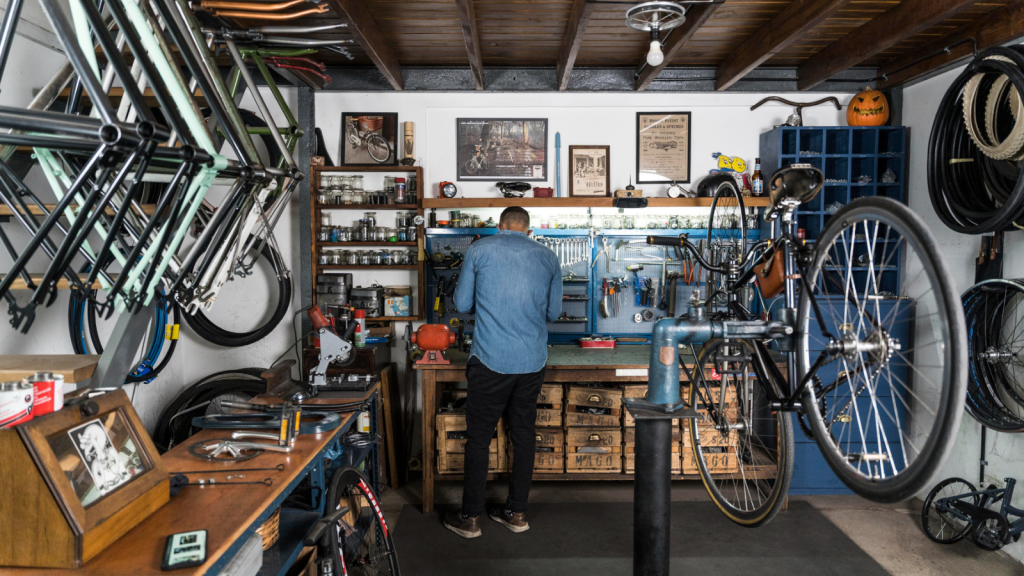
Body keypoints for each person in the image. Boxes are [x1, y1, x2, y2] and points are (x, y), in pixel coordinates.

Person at [443, 206, 561, 539]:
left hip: (490, 359)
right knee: (523, 435)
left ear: (500, 226)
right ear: (528, 229)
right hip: (532, 361)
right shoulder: (548, 257)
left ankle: (469, 518)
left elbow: (463, 304)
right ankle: (516, 513)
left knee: (479, 439)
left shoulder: (480, 249)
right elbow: (553, 311)